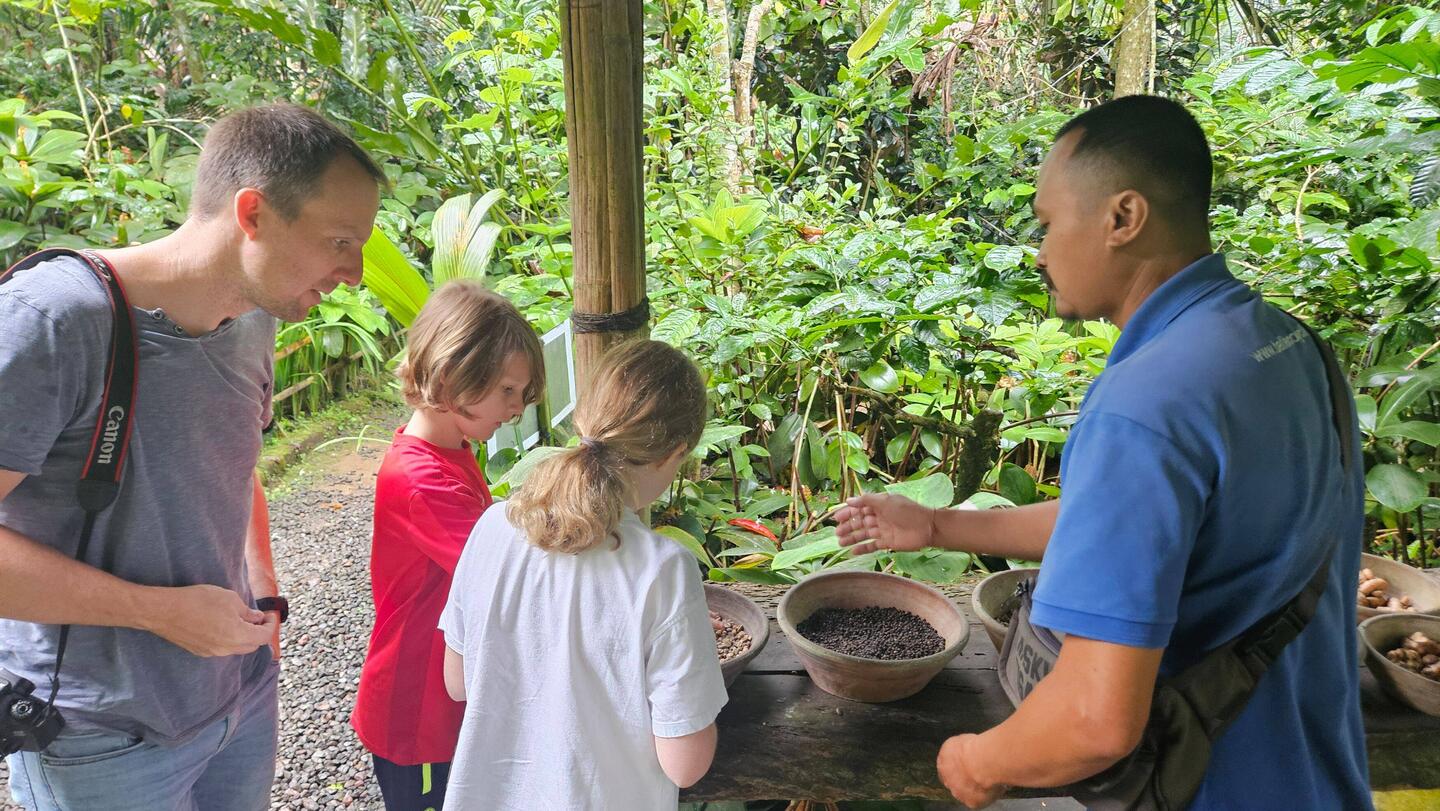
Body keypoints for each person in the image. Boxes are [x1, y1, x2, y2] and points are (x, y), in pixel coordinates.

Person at [835, 95, 1371, 809]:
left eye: (1049, 221)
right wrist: (938, 525)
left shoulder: (1144, 402)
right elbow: (1138, 529)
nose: (1040, 250)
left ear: (1122, 218)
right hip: (1319, 780)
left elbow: (1095, 719)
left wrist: (979, 758)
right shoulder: (1284, 344)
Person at [0, 103, 384, 810]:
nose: (355, 273)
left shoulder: (255, 320)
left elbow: (234, 463)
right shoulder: (52, 320)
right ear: (253, 213)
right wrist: (158, 612)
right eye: (339, 240)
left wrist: (262, 591)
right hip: (101, 736)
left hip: (237, 694)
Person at [438, 340, 728, 809]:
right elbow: (685, 763)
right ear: (673, 454)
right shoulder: (663, 571)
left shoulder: (494, 524)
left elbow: (459, 682)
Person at [351, 279, 545, 811]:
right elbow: (511, 573)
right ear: (455, 374)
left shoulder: (451, 450)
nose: (516, 408)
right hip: (420, 714)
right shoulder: (422, 479)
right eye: (508, 390)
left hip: (442, 698)